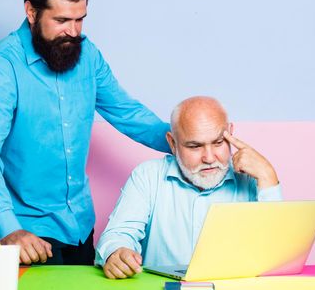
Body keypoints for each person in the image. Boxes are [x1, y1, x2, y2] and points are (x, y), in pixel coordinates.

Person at [0, 0, 170, 266]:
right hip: (27, 235)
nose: (73, 32)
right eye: (61, 21)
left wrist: (189, 141)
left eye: (80, 19)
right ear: (31, 12)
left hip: (80, 227)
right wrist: (9, 229)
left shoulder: (88, 55)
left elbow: (127, 112)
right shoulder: (1, 67)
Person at [95, 96, 282, 279]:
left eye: (218, 143)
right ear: (173, 144)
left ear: (230, 133)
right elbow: (119, 233)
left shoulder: (253, 178)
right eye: (194, 146)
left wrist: (269, 179)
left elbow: (277, 256)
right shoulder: (148, 176)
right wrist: (116, 252)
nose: (209, 158)